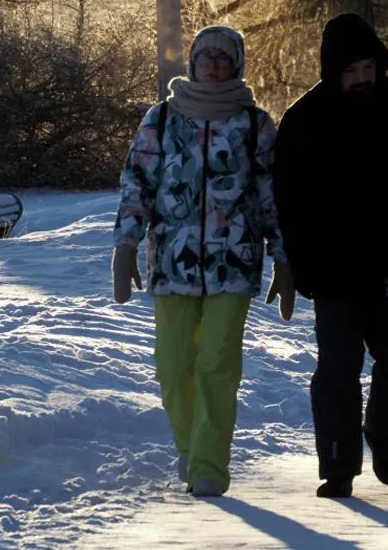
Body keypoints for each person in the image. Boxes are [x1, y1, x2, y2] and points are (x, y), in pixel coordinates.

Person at [271, 12, 388, 499]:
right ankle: (339, 468)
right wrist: (299, 264)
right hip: (331, 268)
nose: (362, 79)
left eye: (368, 69)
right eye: (351, 72)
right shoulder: (304, 118)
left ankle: (380, 430)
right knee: (337, 371)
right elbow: (288, 199)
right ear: (333, 71)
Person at [112, 25, 282, 498]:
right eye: (204, 56)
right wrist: (125, 245)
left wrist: (282, 256)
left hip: (236, 260)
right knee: (173, 363)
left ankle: (208, 465)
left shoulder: (255, 124)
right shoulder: (162, 118)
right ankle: (189, 445)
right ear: (191, 62)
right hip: (172, 259)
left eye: (222, 58)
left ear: (237, 66)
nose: (212, 64)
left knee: (217, 361)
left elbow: (273, 197)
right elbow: (137, 183)